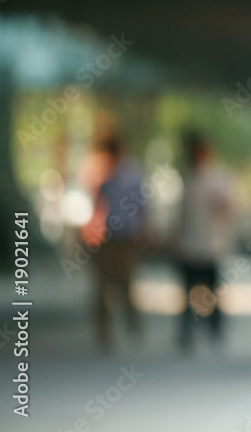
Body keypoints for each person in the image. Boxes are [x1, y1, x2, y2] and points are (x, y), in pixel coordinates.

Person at [85, 136, 148, 352]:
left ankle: (132, 323)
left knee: (126, 284)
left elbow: (142, 207)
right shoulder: (105, 177)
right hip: (110, 238)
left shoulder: (130, 176)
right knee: (104, 286)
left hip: (126, 238)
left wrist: (142, 231)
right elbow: (98, 207)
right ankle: (105, 331)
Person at [174, 131, 234, 352]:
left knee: (213, 291)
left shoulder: (218, 177)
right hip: (190, 243)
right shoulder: (187, 177)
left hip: (211, 244)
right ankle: (186, 333)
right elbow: (181, 213)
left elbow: (229, 208)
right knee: (187, 291)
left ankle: (215, 331)